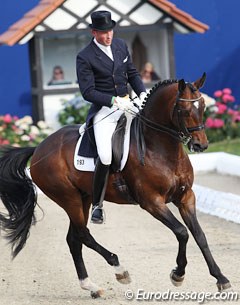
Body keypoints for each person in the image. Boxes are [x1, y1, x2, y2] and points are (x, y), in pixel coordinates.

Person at [76, 10, 147, 224]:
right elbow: (87, 92)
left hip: (129, 103)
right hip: (105, 111)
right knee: (106, 156)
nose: (108, 36)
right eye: (104, 33)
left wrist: (143, 93)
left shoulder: (121, 45)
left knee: (154, 129)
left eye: (111, 31)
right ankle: (97, 205)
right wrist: (114, 101)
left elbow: (132, 73)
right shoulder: (85, 56)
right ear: (94, 32)